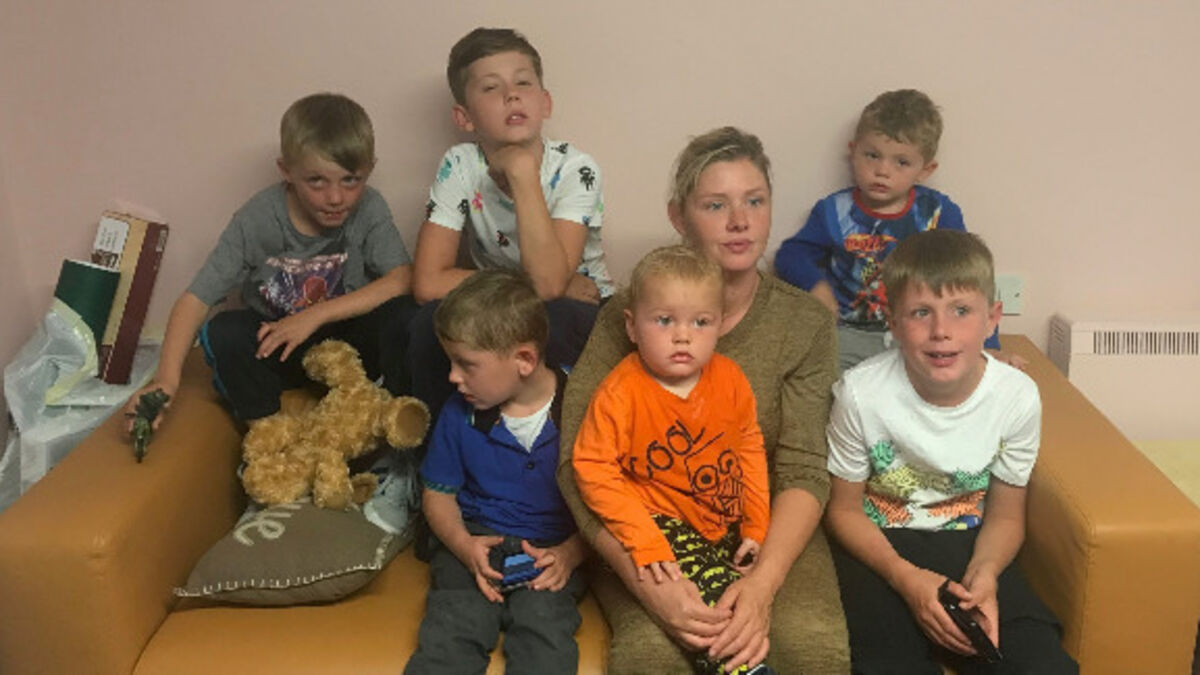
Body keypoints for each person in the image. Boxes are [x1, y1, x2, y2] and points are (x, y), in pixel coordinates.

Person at [558, 127, 851, 673]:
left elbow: (804, 468)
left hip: (759, 523)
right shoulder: (629, 315)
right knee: (653, 655)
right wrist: (648, 583)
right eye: (716, 205)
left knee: (812, 647)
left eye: (754, 201)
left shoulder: (804, 323)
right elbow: (578, 462)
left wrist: (761, 586)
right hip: (648, 525)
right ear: (679, 217)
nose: (740, 221)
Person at [823, 230, 1077, 673]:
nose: (941, 331)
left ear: (992, 318)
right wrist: (906, 578)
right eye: (921, 312)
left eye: (961, 311)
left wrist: (986, 574)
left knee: (1042, 663)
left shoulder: (1016, 396)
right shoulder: (860, 394)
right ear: (893, 322)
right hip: (880, 547)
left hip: (970, 543)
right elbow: (843, 511)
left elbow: (1006, 516)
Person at [123, 92, 413, 427]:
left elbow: (403, 278)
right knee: (224, 330)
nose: (336, 198)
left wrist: (314, 316)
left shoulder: (369, 207)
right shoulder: (258, 217)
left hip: (347, 348)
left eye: (351, 180)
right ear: (286, 171)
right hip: (280, 345)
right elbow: (196, 299)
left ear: (370, 170)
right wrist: (166, 380)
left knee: (404, 314)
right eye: (316, 181)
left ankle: (394, 427)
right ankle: (269, 437)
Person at [573, 245, 772, 675]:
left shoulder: (731, 379)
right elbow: (592, 468)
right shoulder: (621, 392)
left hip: (723, 522)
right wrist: (644, 540)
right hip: (658, 525)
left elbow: (750, 450)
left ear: (720, 324)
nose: (683, 336)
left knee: (742, 593)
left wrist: (756, 525)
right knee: (711, 604)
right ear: (632, 326)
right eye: (664, 321)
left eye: (701, 322)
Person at [408, 27, 611, 419]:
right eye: (491, 87)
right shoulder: (460, 165)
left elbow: (549, 288)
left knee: (553, 319)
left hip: (580, 304)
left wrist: (521, 173)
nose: (512, 95)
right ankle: (439, 445)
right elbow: (428, 282)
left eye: (523, 83)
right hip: (500, 302)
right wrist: (528, 282)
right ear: (464, 117)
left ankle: (556, 441)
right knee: (426, 323)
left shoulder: (576, 168)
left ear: (545, 102)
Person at [405, 269, 587, 674]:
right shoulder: (459, 413)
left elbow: (613, 501)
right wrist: (462, 546)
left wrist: (571, 554)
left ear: (524, 359)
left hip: (551, 549)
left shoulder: (584, 405)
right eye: (451, 362)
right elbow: (439, 493)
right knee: (452, 630)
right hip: (474, 538)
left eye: (466, 365)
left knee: (545, 636)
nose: (453, 377)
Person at [774, 89, 1019, 372]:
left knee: (939, 385)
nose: (882, 170)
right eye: (872, 155)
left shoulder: (938, 214)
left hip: (920, 332)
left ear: (925, 170)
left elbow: (971, 279)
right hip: (848, 331)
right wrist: (816, 286)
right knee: (825, 380)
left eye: (901, 162)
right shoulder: (834, 211)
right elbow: (791, 254)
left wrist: (988, 345)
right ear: (853, 152)